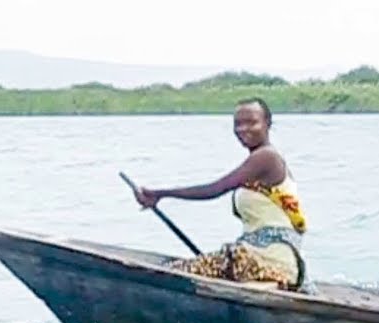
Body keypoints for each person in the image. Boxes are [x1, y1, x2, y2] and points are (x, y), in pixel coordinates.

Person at [130, 97, 310, 291]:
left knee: (170, 275)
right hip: (256, 257)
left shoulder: (267, 157)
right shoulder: (259, 160)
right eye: (238, 124)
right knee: (179, 271)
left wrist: (159, 194)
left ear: (268, 124)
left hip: (270, 263)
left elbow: (214, 189)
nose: (243, 129)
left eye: (252, 122)